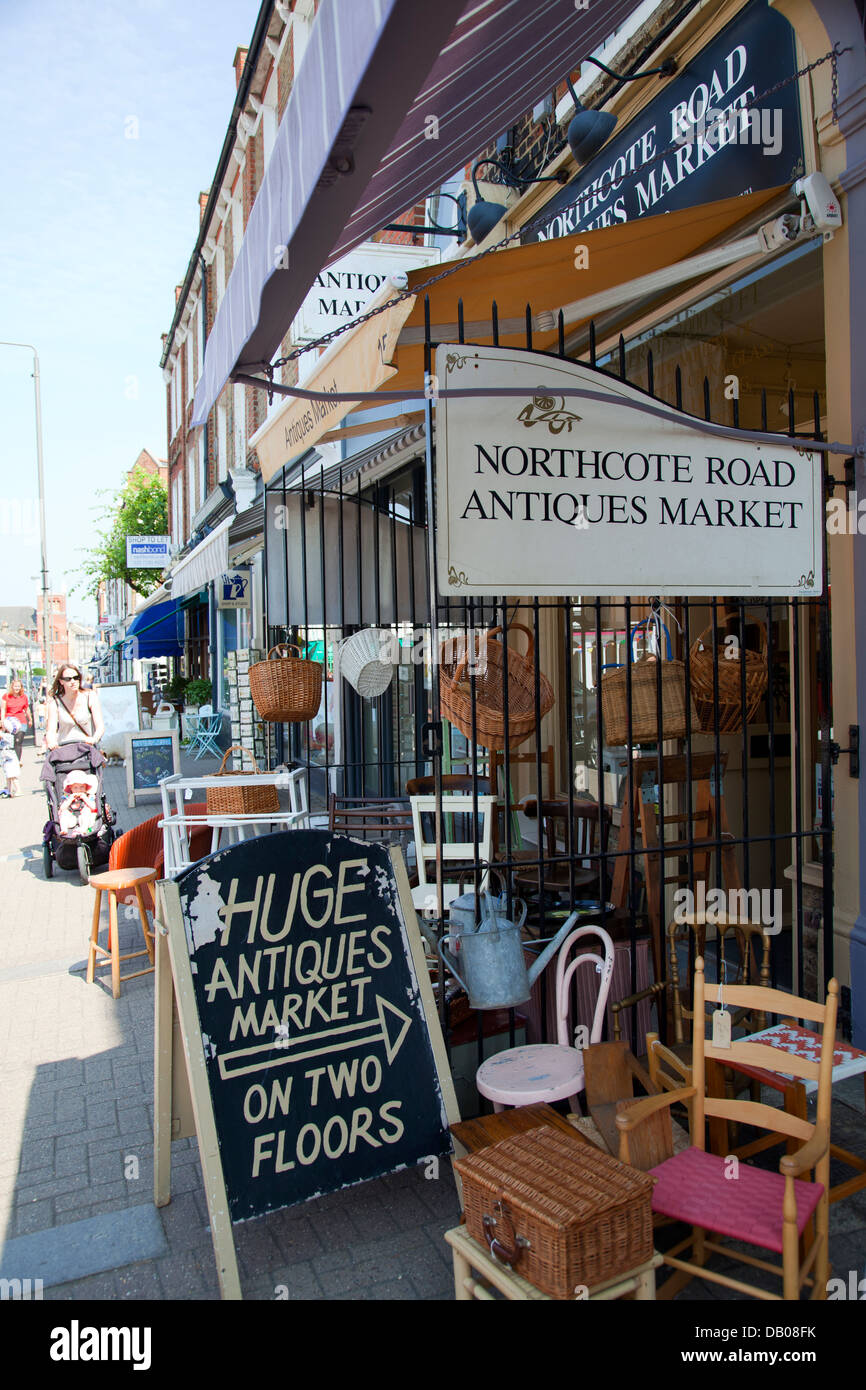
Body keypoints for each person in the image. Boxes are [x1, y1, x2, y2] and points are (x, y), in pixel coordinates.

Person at [45, 666, 105, 749]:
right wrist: (51, 742)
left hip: (87, 748)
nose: (73, 681)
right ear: (61, 681)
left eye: (76, 678)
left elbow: (100, 726)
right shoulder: (55, 703)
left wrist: (94, 739)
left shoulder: (90, 696)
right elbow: (51, 730)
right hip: (65, 749)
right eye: (68, 679)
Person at [1, 677, 32, 760]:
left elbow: (27, 709)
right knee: (10, 742)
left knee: (18, 741)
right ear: (12, 687)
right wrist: (2, 721)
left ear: (21, 687)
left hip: (21, 721)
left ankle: (17, 761)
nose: (17, 688)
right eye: (15, 686)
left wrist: (30, 719)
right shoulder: (6, 696)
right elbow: (3, 709)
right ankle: (8, 758)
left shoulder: (24, 697)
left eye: (19, 686)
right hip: (9, 722)